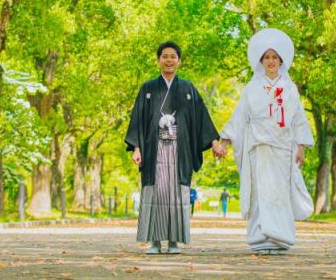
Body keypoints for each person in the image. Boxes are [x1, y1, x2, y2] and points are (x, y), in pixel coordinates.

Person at [215, 28, 314, 254]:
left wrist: (301, 147)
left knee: (280, 193)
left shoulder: (289, 88)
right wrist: (225, 141)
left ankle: (280, 238)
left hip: (282, 148)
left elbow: (298, 117)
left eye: (275, 57)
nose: (271, 61)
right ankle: (260, 238)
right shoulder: (251, 88)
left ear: (281, 60)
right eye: (267, 57)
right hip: (258, 149)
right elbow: (240, 116)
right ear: (261, 61)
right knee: (260, 194)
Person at [125, 41, 221, 255]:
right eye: (165, 56)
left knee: (177, 194)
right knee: (156, 193)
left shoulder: (188, 89)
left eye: (173, 56)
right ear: (158, 60)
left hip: (180, 150)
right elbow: (138, 121)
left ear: (179, 61)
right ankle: (155, 241)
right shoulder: (148, 88)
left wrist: (214, 141)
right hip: (154, 150)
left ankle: (175, 242)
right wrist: (136, 148)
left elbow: (201, 118)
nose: (169, 60)